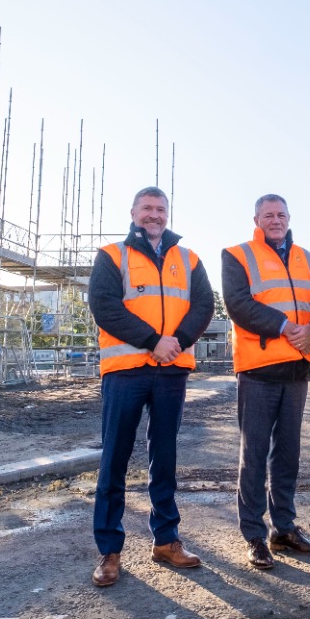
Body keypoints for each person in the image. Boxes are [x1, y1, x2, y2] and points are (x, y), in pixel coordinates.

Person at [88, 186, 215, 588]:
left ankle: (166, 539)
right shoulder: (112, 256)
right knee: (115, 458)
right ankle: (109, 550)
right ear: (133, 213)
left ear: (167, 214)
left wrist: (175, 342)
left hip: (171, 370)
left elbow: (204, 305)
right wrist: (152, 341)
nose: (154, 214)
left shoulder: (188, 259)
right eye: (147, 208)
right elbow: (104, 307)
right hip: (125, 370)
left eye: (160, 208)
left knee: (165, 457)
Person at [221, 194, 310, 570]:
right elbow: (238, 304)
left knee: (287, 455)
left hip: (297, 370)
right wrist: (285, 327)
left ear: (289, 217)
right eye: (268, 215)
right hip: (259, 371)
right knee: (253, 455)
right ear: (256, 219)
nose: (275, 220)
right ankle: (254, 535)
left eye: (281, 214)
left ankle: (284, 528)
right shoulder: (237, 256)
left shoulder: (308, 259)